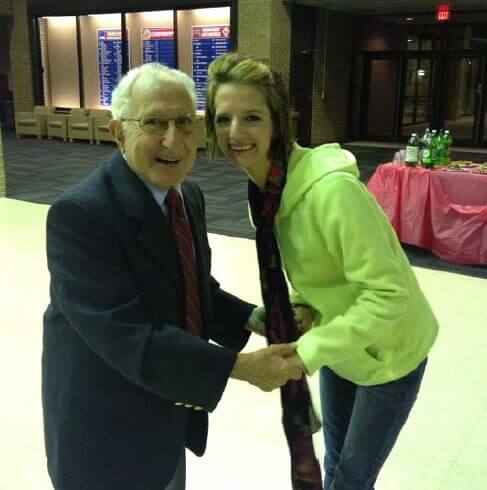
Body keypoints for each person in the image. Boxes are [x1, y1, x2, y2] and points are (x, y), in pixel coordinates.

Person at [42, 62, 303, 490]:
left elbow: (192, 286)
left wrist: (257, 319)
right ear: (118, 132)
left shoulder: (186, 197)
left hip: (166, 414)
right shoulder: (80, 215)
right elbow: (126, 334)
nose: (173, 140)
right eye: (154, 123)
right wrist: (239, 368)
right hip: (104, 432)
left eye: (185, 122)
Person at [205, 53, 439, 490]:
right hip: (341, 342)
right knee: (333, 459)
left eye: (251, 117)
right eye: (223, 119)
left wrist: (305, 353)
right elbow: (314, 273)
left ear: (277, 120)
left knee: (351, 476)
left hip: (391, 353)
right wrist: (302, 309)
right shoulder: (265, 191)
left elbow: (388, 294)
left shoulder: (332, 192)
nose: (235, 133)